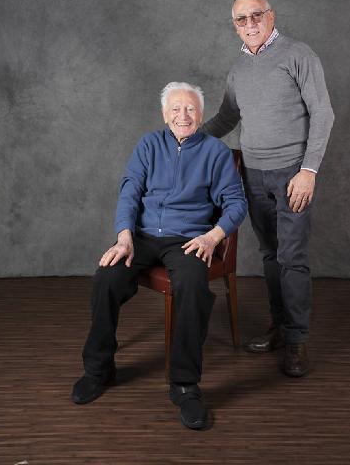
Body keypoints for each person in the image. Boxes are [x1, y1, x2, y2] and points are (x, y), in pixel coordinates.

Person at [71, 82, 247, 430]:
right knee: (106, 277)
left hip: (188, 239)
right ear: (165, 115)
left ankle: (185, 385)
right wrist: (124, 238)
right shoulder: (148, 145)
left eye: (191, 109)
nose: (184, 115)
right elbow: (130, 191)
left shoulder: (215, 152)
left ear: (200, 114)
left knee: (194, 285)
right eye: (176, 109)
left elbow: (236, 203)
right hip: (143, 236)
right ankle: (99, 368)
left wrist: (212, 237)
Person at [202, 0, 334, 377]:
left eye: (256, 15)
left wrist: (309, 171)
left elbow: (323, 114)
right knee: (271, 257)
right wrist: (189, 139)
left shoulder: (298, 55)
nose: (250, 24)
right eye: (241, 20)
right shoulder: (239, 68)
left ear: (271, 16)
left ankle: (296, 341)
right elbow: (227, 118)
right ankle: (279, 328)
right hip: (253, 175)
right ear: (234, 26)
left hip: (293, 174)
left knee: (292, 259)